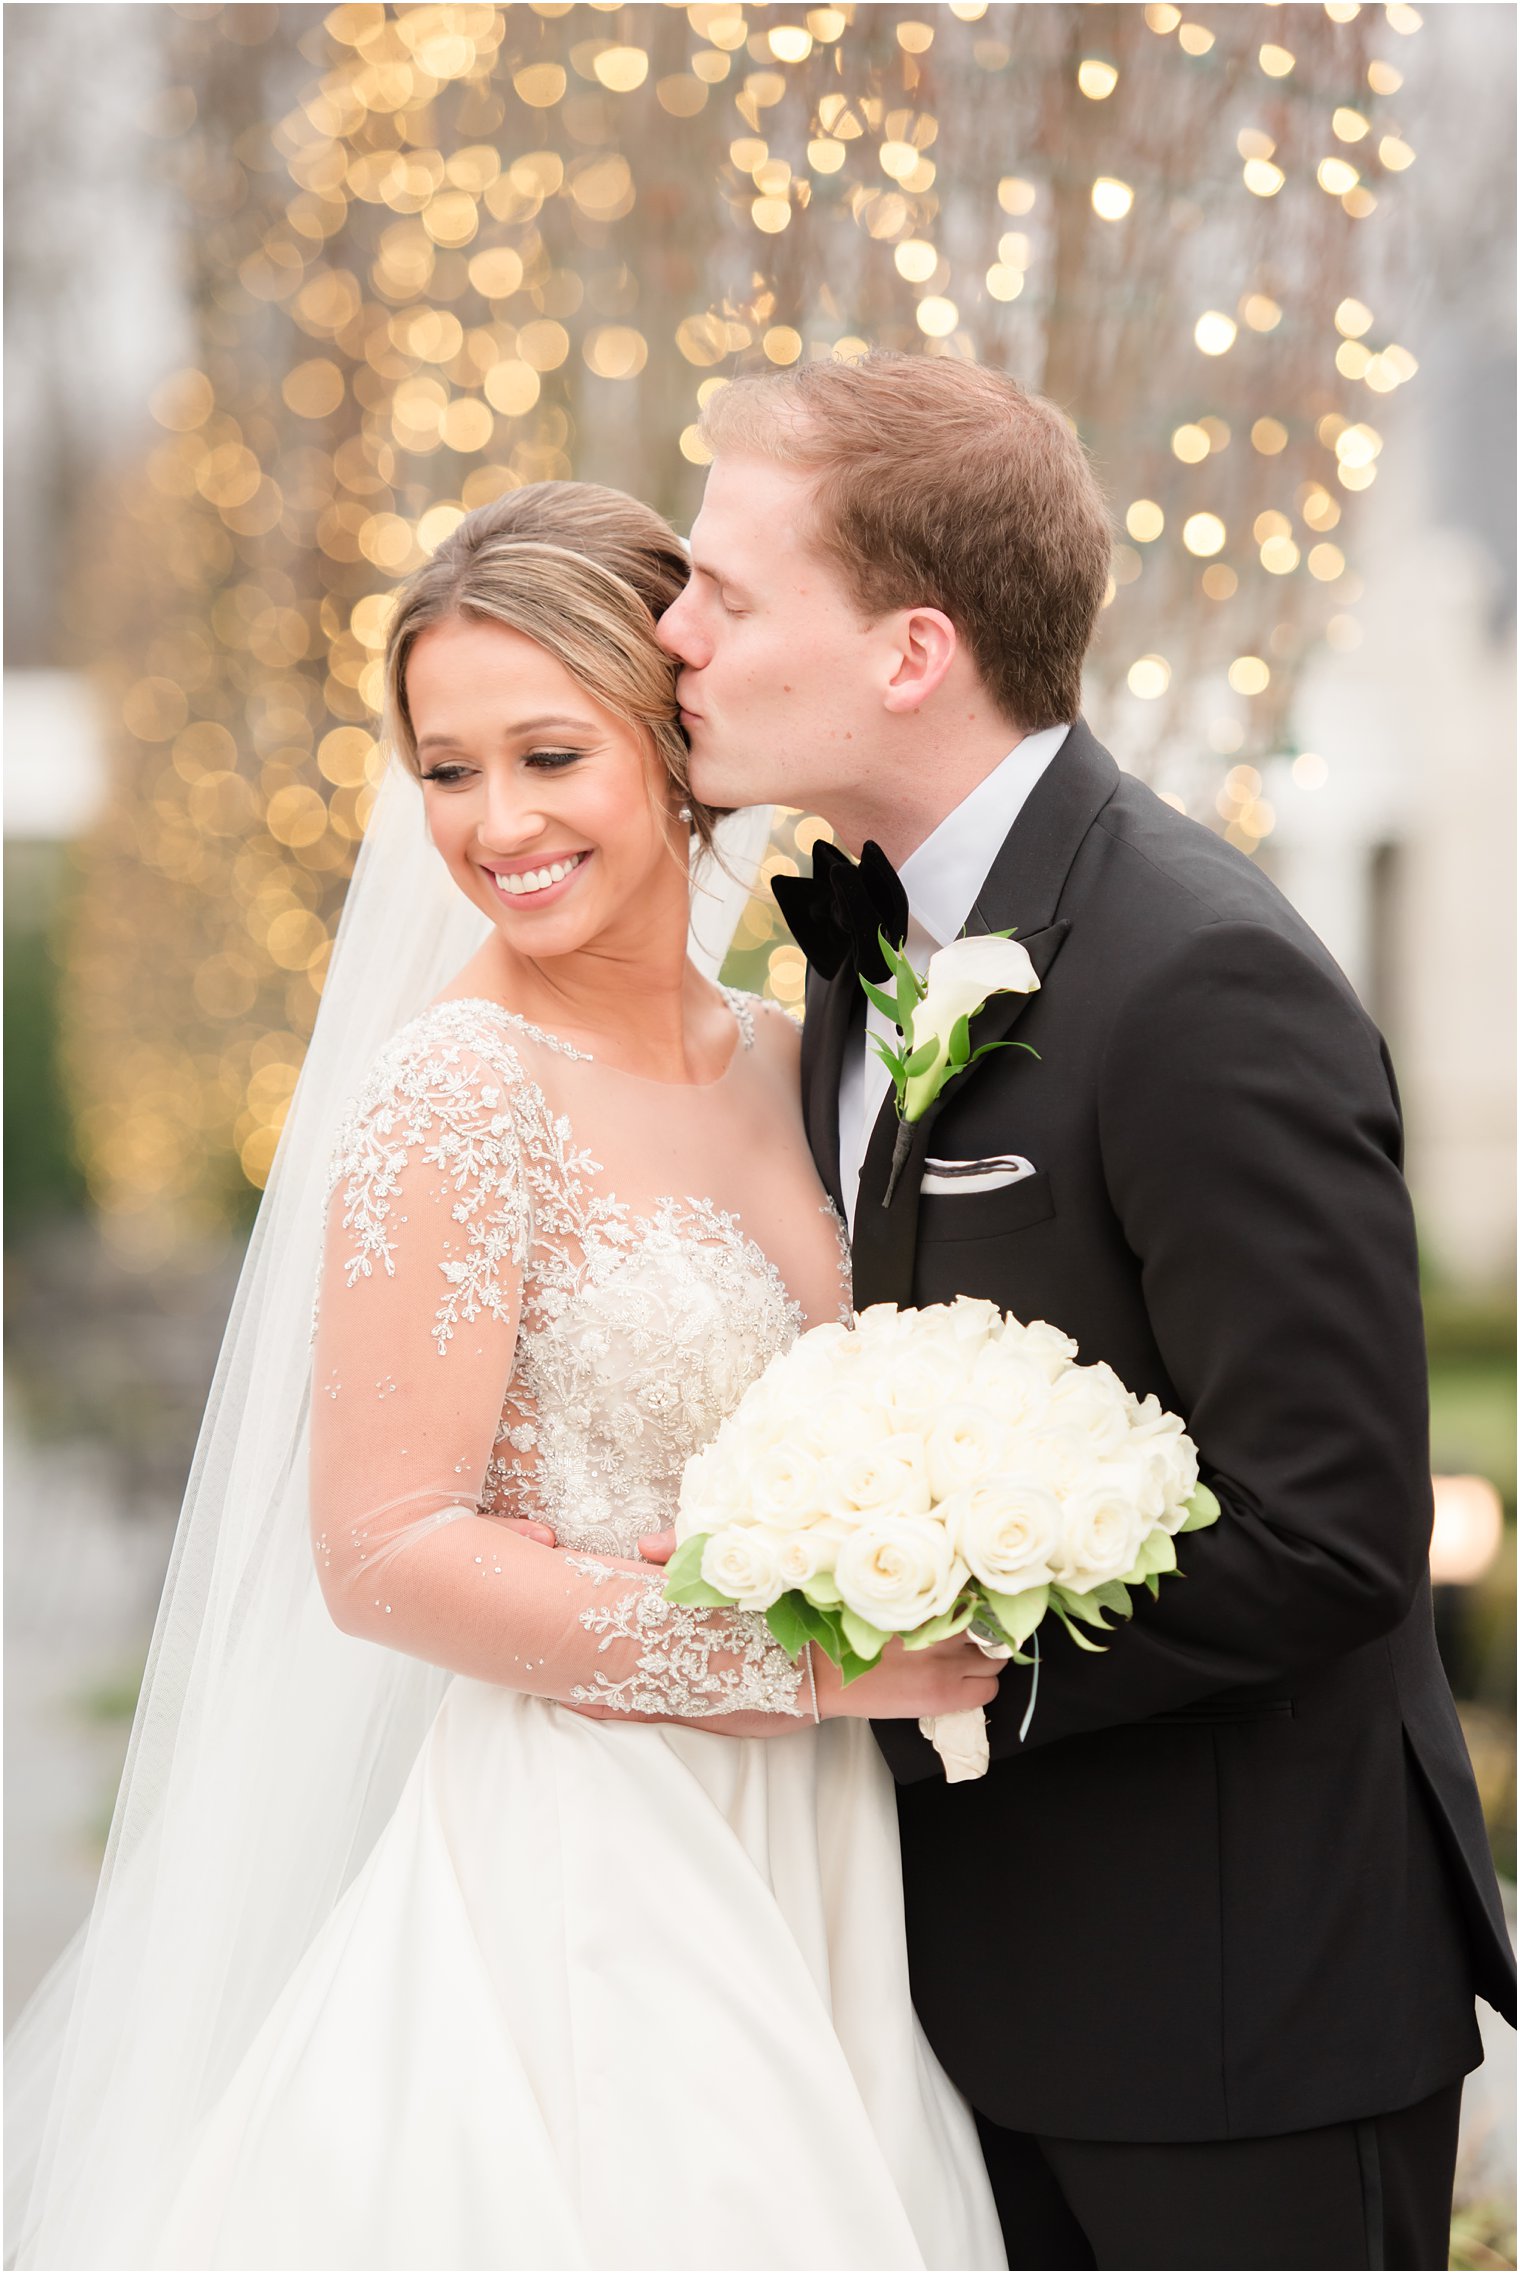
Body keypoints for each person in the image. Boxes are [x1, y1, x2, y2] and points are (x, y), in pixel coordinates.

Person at [4, 485, 1006, 2271]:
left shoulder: (807, 1057)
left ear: (676, 740)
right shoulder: (456, 1091)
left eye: (550, 753)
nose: (496, 823)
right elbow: (383, 1547)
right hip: (593, 1858)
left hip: (841, 1848)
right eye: (446, 769)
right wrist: (801, 1658)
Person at [651, 352, 1518, 2273]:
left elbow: (1331, 1524)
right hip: (951, 2006)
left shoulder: (1202, 979)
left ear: (909, 651)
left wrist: (922, 1641)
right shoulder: (857, 941)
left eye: (725, 588)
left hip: (1236, 2014)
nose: (674, 632)